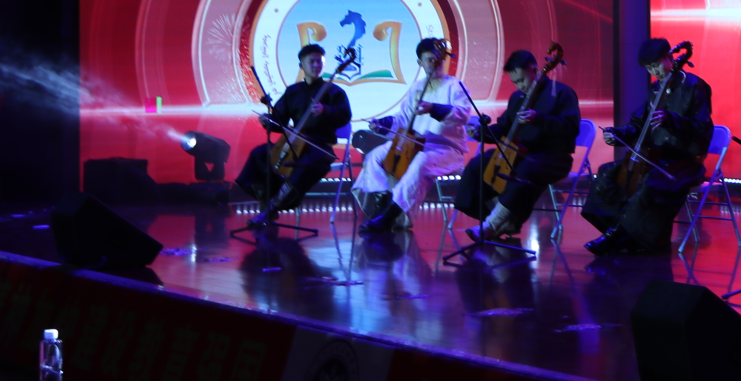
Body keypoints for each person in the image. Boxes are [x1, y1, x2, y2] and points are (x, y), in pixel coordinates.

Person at [584, 38, 714, 256]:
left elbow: (702, 129)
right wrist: (617, 133)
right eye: (649, 68)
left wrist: (672, 120)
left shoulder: (696, 86)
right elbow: (638, 123)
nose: (655, 72)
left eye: (656, 65)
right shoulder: (655, 89)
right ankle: (620, 231)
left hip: (685, 161)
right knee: (607, 173)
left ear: (669, 58)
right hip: (655, 157)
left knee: (651, 181)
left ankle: (622, 235)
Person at [458, 49, 581, 247]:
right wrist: (480, 133)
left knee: (523, 172)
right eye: (515, 82)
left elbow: (571, 128)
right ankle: (503, 220)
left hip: (553, 157)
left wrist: (539, 119)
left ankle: (493, 224)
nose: (520, 86)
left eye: (522, 80)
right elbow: (504, 127)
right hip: (518, 154)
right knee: (477, 165)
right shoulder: (517, 97)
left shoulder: (561, 92)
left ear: (535, 70)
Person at [352, 37, 473, 234]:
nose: (434, 63)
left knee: (420, 161)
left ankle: (390, 216)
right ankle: (381, 206)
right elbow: (403, 119)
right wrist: (383, 123)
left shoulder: (455, 86)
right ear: (420, 62)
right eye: (429, 59)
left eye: (438, 59)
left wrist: (433, 108)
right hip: (413, 145)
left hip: (446, 149)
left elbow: (463, 114)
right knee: (375, 156)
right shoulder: (417, 87)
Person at [235, 43, 352, 228]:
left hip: (320, 146)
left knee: (303, 166)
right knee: (260, 154)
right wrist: (268, 120)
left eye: (319, 62)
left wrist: (326, 110)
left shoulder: (335, 92)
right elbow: (280, 120)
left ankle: (273, 208)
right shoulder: (293, 91)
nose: (316, 65)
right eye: (311, 61)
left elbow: (345, 116)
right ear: (301, 65)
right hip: (293, 143)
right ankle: (265, 203)